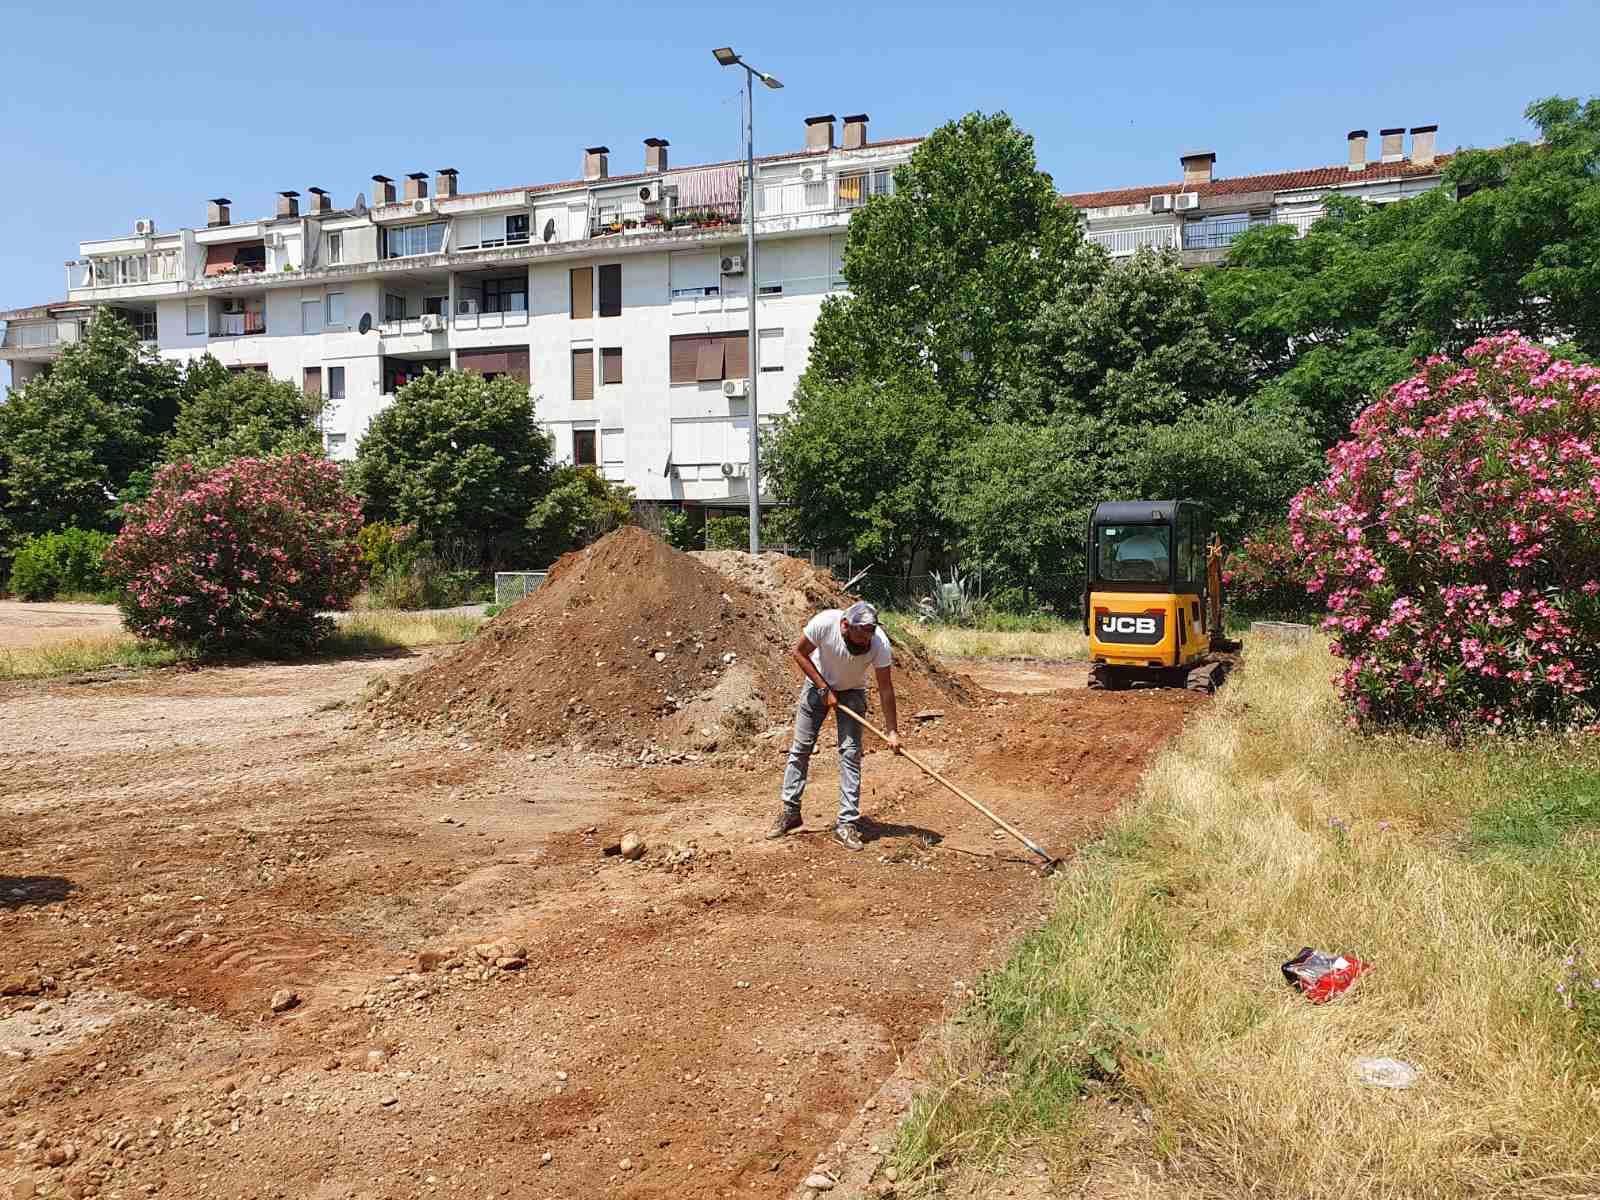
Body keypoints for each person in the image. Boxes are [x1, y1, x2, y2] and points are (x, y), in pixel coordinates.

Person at [766, 600, 900, 851]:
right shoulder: (824, 623)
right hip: (817, 685)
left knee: (850, 754)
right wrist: (822, 687)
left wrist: (892, 730)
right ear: (846, 626)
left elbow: (885, 688)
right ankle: (790, 812)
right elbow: (798, 653)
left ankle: (846, 823)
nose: (866, 643)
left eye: (870, 636)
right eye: (861, 637)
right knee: (801, 748)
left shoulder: (879, 643)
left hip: (853, 692)